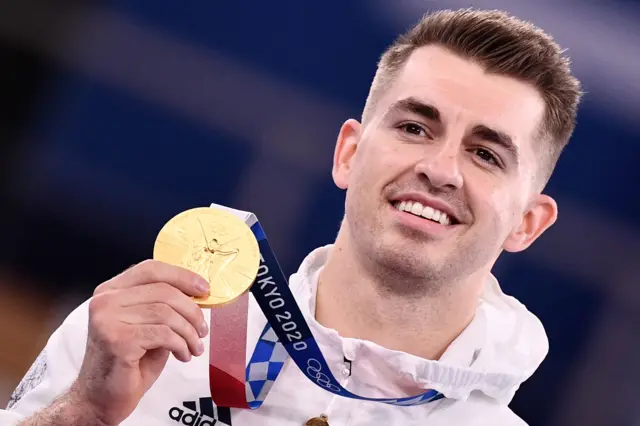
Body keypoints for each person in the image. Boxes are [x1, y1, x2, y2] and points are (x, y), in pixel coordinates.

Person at [2, 8, 582, 426]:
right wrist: (85, 413)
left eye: (485, 154)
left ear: (526, 223)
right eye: (414, 127)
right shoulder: (146, 336)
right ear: (349, 154)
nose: (441, 169)